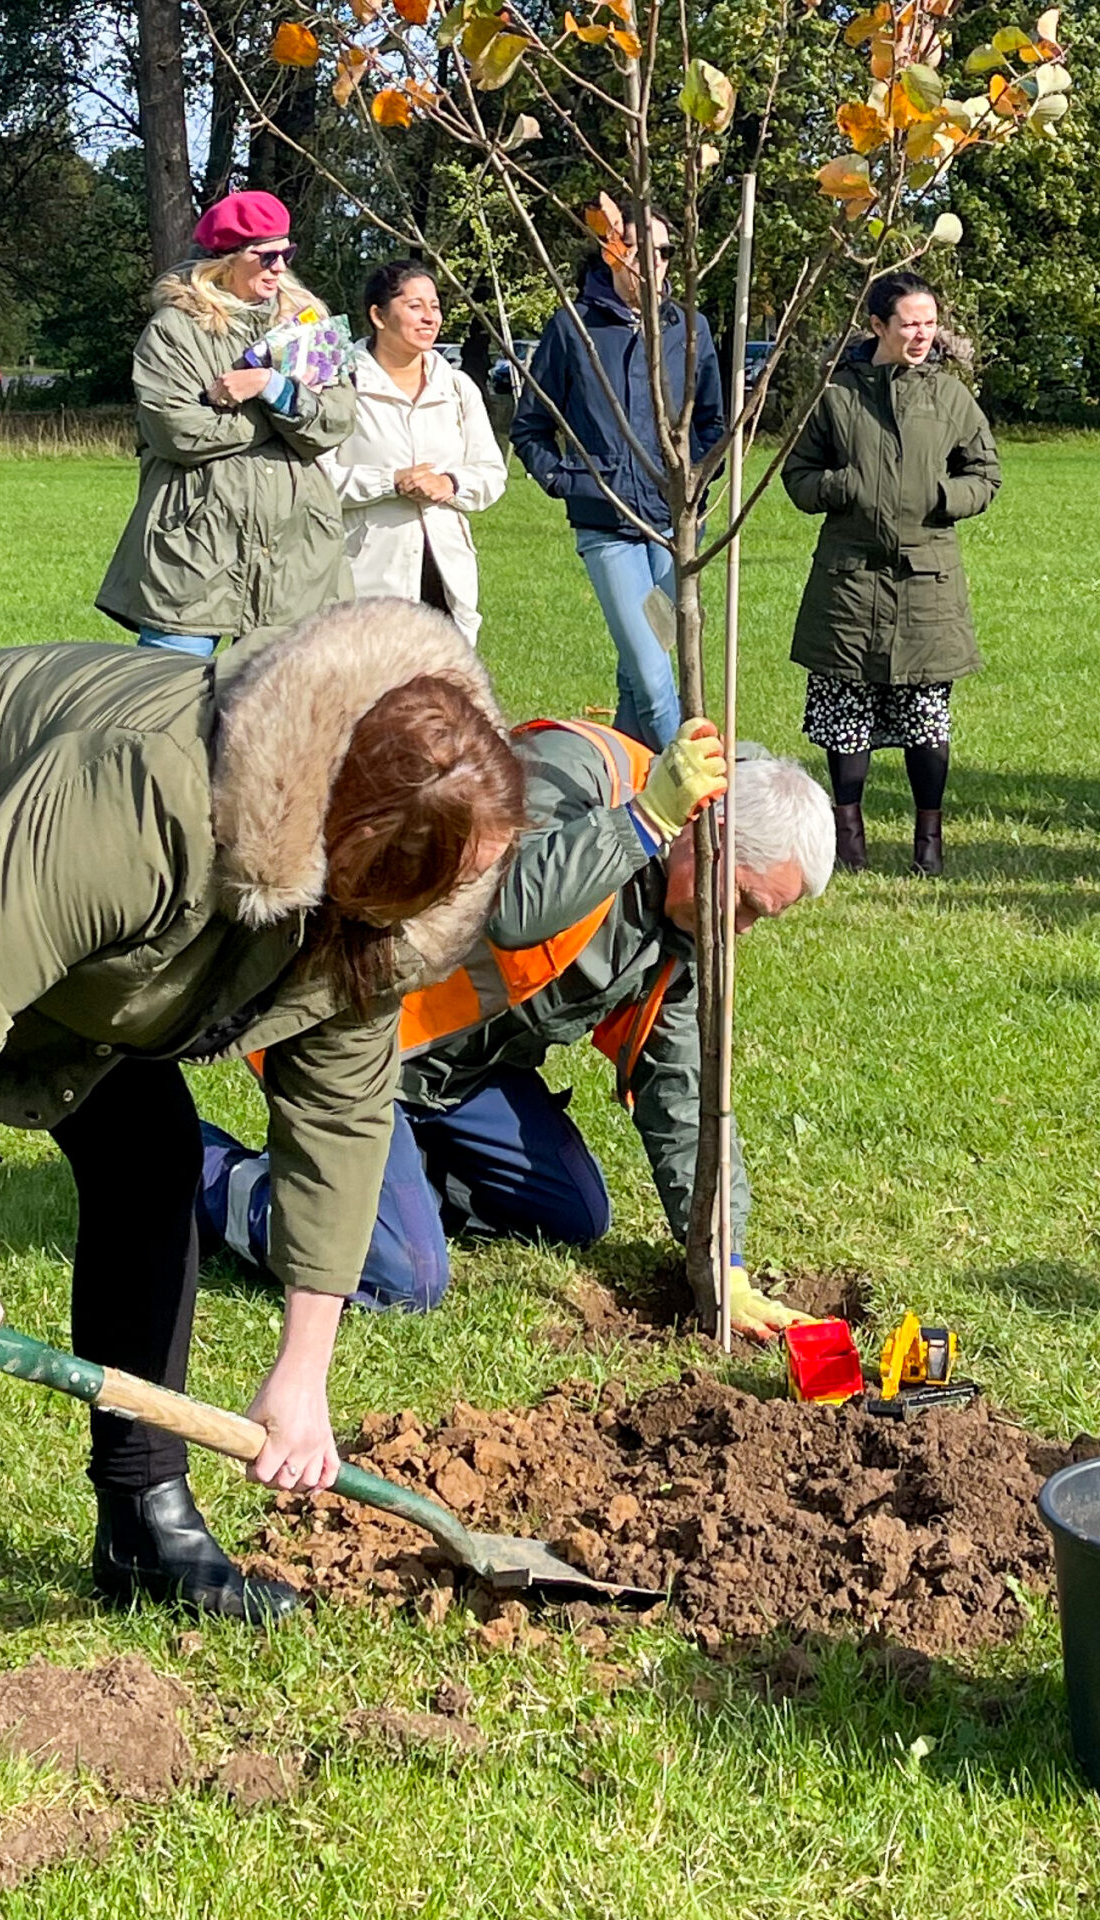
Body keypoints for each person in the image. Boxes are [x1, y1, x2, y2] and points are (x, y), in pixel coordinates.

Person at [0, 601, 528, 1700]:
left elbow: (342, 1115)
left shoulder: (397, 897)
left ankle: (143, 1527)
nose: (457, 906)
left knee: (151, 1167)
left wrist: (303, 1373)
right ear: (351, 847)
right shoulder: (145, 796)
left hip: (65, 939)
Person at [195, 716, 836, 1341]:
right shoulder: (579, 771)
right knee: (404, 1277)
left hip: (460, 1078)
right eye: (746, 902)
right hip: (364, 1042)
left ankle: (387, 1185)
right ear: (708, 835)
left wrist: (725, 1259)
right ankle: (199, 1168)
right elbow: (507, 907)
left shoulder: (680, 934)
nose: (742, 930)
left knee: (573, 1215)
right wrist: (642, 823)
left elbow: (684, 1091)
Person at [782, 271, 1001, 878]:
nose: (922, 334)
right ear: (877, 325)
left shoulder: (951, 397)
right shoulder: (836, 394)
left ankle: (928, 840)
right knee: (843, 711)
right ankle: (848, 839)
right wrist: (842, 486)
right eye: (909, 322)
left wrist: (942, 496)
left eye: (929, 322)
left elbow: (986, 474)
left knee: (925, 715)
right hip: (848, 582)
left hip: (927, 582)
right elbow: (796, 475)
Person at [98, 191, 357, 656]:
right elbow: (175, 431)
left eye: (287, 253)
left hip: (295, 553)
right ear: (224, 261)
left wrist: (268, 387)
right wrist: (278, 421)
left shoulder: (309, 325)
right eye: (267, 255)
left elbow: (337, 421)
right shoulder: (173, 329)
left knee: (285, 712)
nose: (280, 267)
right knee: (168, 702)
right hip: (195, 548)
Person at [508, 203, 725, 748]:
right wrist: (567, 480)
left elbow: (713, 422)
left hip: (676, 529)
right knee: (655, 682)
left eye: (667, 251)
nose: (659, 262)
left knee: (636, 674)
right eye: (644, 250)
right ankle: (693, 798)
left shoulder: (688, 327)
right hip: (607, 525)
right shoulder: (573, 327)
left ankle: (627, 791)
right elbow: (530, 426)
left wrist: (694, 480)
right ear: (613, 252)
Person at [320, 260, 510, 645]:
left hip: (446, 578)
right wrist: (389, 482)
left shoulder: (457, 387)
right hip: (367, 578)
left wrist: (449, 483)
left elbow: (492, 473)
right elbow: (318, 481)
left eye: (435, 306)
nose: (429, 318)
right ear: (378, 315)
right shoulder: (338, 386)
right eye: (414, 306)